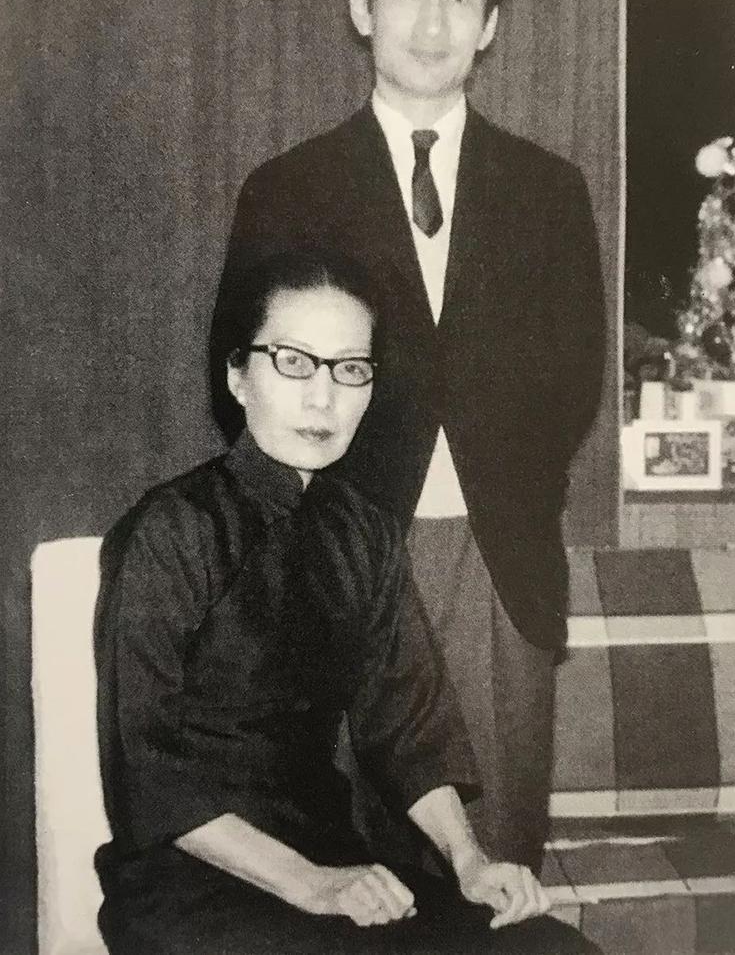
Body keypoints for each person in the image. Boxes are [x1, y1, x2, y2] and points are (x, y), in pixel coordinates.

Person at [210, 0, 606, 871]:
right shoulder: (287, 187)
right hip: (334, 554)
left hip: (496, 561)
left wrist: (501, 491)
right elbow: (239, 376)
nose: (433, 22)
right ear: (361, 8)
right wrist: (318, 515)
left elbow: (575, 378)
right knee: (347, 859)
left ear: (490, 24)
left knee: (492, 863)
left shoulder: (548, 191)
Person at [94, 250, 600, 955]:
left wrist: (468, 861)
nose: (323, 398)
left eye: (350, 369)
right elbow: (145, 769)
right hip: (191, 880)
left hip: (332, 857)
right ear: (237, 375)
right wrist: (309, 885)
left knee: (555, 950)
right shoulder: (171, 529)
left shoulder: (364, 532)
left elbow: (409, 725)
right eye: (294, 363)